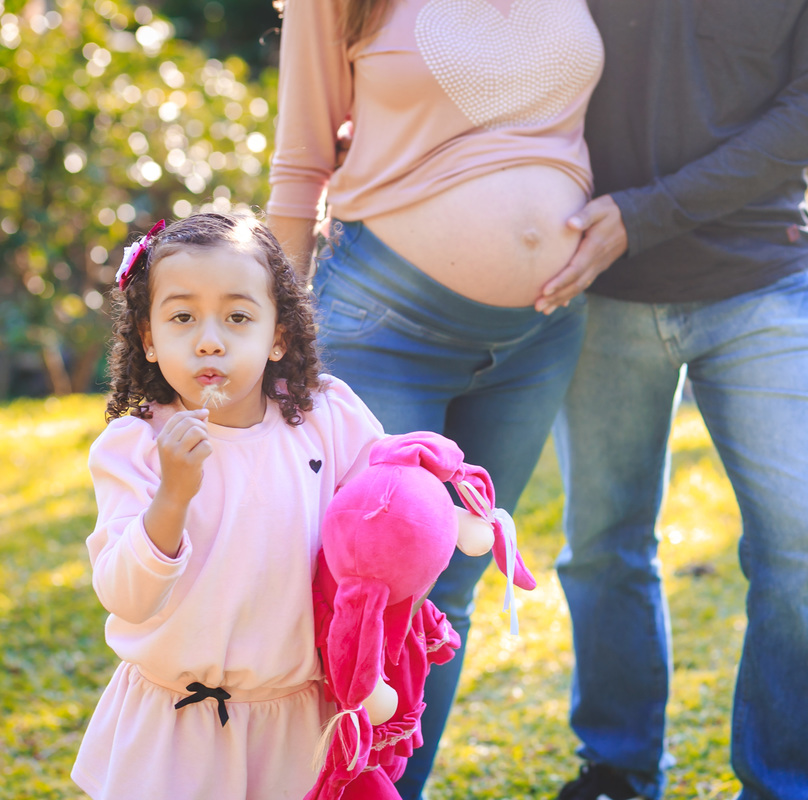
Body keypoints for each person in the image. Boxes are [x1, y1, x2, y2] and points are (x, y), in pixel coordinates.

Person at [539, 3, 808, 800]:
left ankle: (783, 786)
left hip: (763, 279)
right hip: (599, 281)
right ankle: (619, 767)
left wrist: (647, 213)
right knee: (602, 541)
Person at [267, 2, 604, 797]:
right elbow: (300, 163)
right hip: (383, 322)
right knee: (354, 591)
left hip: (542, 334)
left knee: (443, 590)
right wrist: (270, 341)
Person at [70, 211, 384, 800]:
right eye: (183, 316)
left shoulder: (325, 418)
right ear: (148, 339)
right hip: (175, 724)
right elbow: (124, 596)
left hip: (294, 720)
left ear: (277, 336)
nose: (210, 338)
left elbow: (387, 511)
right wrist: (173, 494)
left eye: (238, 317)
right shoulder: (134, 447)